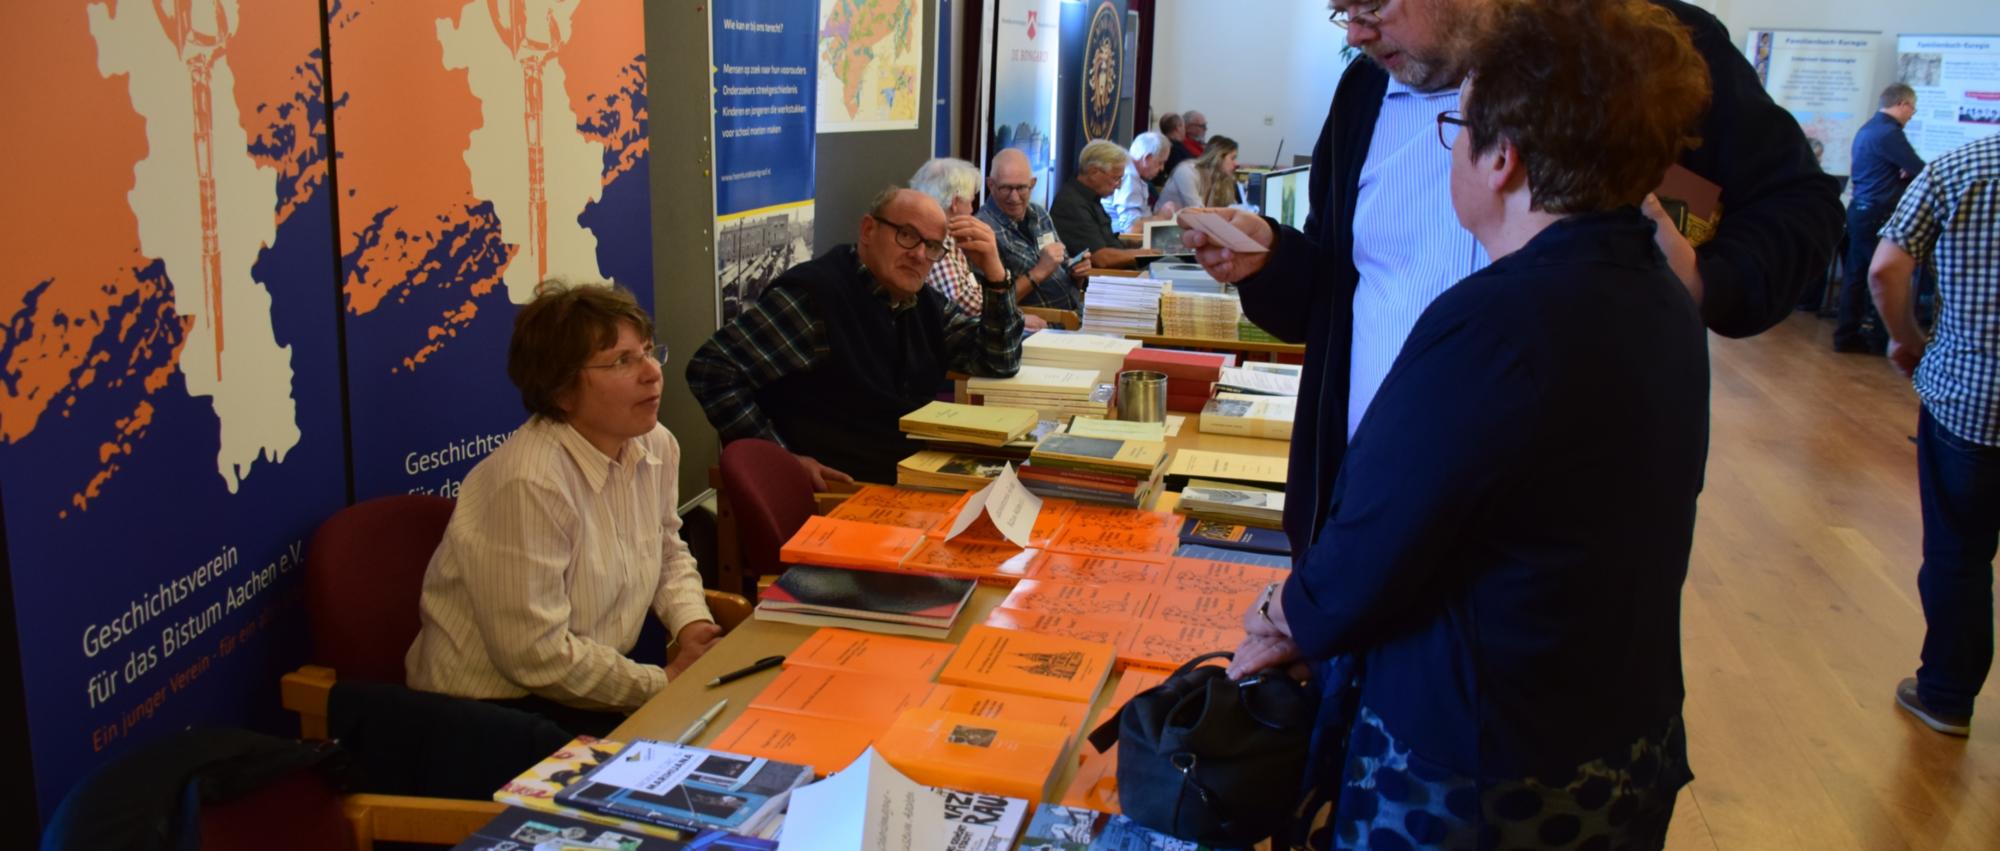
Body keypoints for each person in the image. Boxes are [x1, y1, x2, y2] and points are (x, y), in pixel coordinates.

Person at [1225, 0, 1711, 845]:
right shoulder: (1658, 292)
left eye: (1456, 128)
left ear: (1503, 159)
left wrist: (1285, 614)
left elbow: (1383, 533)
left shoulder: (1494, 321)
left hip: (1481, 760)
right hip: (1614, 727)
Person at [1185, 0, 1843, 558]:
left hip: (1555, 542)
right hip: (1371, 515)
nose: (1356, 33)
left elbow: (1801, 208)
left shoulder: (1639, 48)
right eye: (1341, 13)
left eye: (1372, 5)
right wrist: (1272, 261)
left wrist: (1700, 281)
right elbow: (1349, 294)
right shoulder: (1364, 91)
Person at [404, 282, 718, 736]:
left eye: (649, 351)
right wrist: (663, 681)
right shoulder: (529, 481)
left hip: (589, 695)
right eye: (621, 361)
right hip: (490, 717)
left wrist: (694, 627)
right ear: (561, 391)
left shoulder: (656, 444)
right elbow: (535, 654)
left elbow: (667, 550)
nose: (652, 373)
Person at [687, 187, 1022, 487]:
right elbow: (712, 369)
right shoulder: (815, 299)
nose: (919, 255)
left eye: (932, 246)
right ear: (868, 230)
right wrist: (781, 460)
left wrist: (995, 273)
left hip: (912, 475)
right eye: (907, 235)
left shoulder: (920, 302)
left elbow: (998, 360)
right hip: (848, 494)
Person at [1868, 132, 2000, 738]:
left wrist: (1905, 339)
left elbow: (1887, 269)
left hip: (1971, 398)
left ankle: (1946, 697)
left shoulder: (1962, 166)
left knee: (1958, 553)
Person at [909, 157, 1047, 331]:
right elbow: (968, 305)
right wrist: (1018, 318)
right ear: (955, 202)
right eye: (970, 201)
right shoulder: (933, 242)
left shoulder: (950, 236)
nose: (971, 210)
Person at [1836, 84, 1925, 353]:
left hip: (1860, 209)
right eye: (1912, 107)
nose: (1913, 113)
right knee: (1883, 274)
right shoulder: (1890, 134)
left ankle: (1846, 334)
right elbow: (1921, 170)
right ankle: (1877, 339)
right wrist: (1907, 173)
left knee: (1855, 274)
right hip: (1877, 213)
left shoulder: (1868, 129)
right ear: (1902, 105)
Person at [978, 148, 1090, 311]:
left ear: (1033, 184)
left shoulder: (1039, 214)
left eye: (1021, 188)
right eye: (1006, 188)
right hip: (1043, 325)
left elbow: (1064, 266)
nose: (1014, 197)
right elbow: (991, 307)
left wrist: (1078, 272)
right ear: (990, 184)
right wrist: (1039, 272)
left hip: (1077, 311)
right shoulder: (983, 230)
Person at [1051, 139, 1148, 269]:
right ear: (1093, 172)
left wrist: (1137, 244)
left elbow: (1106, 241)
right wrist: (1145, 254)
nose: (1118, 186)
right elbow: (1100, 258)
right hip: (1102, 282)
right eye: (1115, 178)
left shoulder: (1091, 198)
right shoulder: (1071, 205)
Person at [1107, 131, 1172, 232]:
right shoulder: (1129, 177)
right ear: (1146, 158)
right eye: (1160, 162)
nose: (1162, 168)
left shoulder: (1133, 173)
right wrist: (1162, 217)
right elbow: (1132, 228)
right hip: (1121, 243)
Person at [1158, 135, 1241, 212]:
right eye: (1232, 158)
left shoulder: (1219, 178)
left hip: (1188, 224)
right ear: (1218, 157)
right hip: (1164, 225)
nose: (1236, 164)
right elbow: (1198, 211)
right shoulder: (1187, 171)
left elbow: (1233, 208)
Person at [1156, 112, 1193, 191]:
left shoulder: (1163, 145)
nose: (1185, 130)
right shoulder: (1173, 149)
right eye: (1183, 126)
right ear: (1178, 127)